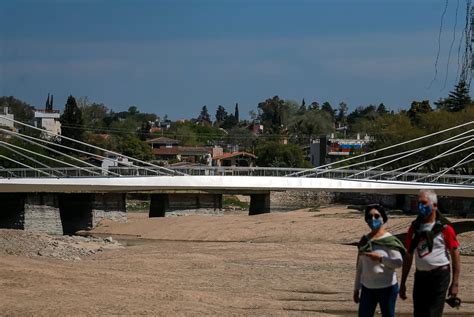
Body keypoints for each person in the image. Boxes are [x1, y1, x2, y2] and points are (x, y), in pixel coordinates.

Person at [399, 189, 461, 317]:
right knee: (419, 313)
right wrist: (403, 282)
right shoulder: (415, 228)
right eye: (419, 203)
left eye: (424, 203)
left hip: (439, 276)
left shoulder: (445, 228)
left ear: (434, 205)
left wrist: (455, 283)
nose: (420, 206)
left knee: (433, 313)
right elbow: (409, 255)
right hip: (421, 276)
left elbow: (455, 254)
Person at [353, 204, 406, 317]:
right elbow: (359, 267)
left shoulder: (389, 240)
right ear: (366, 220)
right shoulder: (364, 241)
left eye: (377, 216)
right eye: (370, 216)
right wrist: (356, 288)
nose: (373, 219)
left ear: (383, 218)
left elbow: (398, 262)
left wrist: (381, 259)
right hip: (367, 288)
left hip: (387, 288)